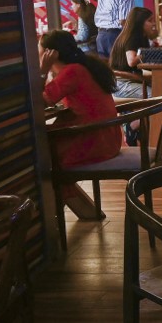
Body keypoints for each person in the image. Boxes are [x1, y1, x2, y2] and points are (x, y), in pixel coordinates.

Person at [39, 29, 120, 218]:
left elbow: (41, 101)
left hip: (94, 139)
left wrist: (43, 71)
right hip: (106, 136)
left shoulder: (71, 72)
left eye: (40, 51)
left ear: (52, 54)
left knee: (42, 157)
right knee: (45, 151)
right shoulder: (82, 66)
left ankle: (53, 218)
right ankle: (83, 211)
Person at [109, 7, 158, 98]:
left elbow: (154, 37)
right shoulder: (132, 37)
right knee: (159, 96)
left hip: (133, 80)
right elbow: (131, 61)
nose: (153, 23)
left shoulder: (141, 36)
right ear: (139, 23)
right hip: (123, 84)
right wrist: (148, 53)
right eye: (150, 21)